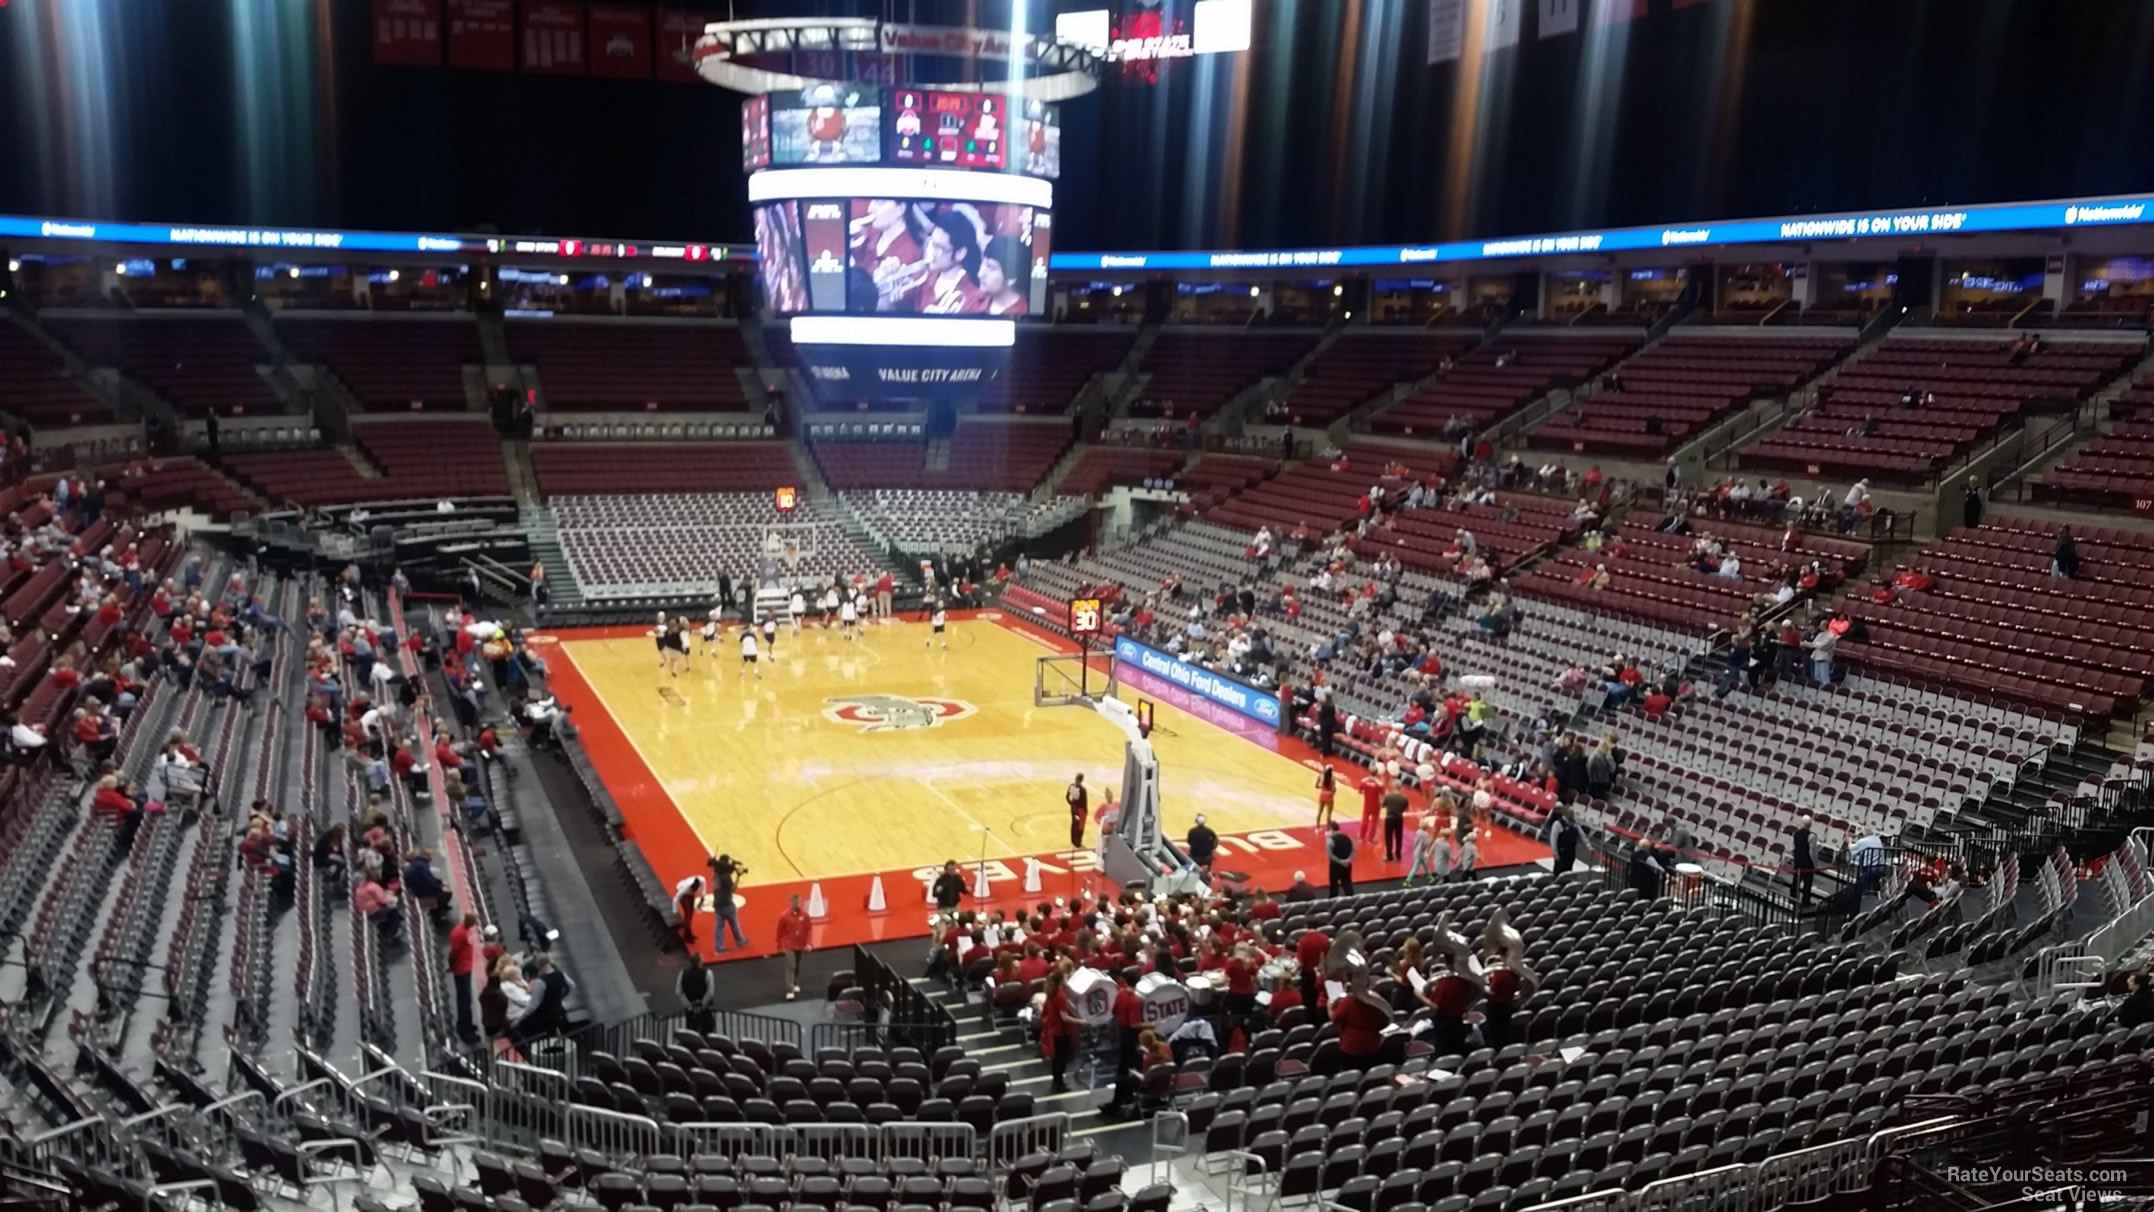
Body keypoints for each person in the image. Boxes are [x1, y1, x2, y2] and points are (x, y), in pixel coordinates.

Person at [1329, 965, 1392, 1070]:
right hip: (1373, 1045)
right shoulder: (1376, 999)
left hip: (1352, 1048)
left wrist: (1330, 1006)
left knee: (1351, 1077)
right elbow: (1385, 1019)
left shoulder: (1348, 1002)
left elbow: (1334, 1019)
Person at [1040, 967, 1081, 1093]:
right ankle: (1059, 1083)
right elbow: (1064, 1017)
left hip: (1055, 1029)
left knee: (1057, 1058)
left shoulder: (1053, 993)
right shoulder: (1061, 995)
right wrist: (1081, 1021)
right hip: (1063, 1031)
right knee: (1062, 1058)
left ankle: (1057, 1081)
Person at [448, 912, 481, 1044]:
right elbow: (453, 953)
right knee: (464, 1000)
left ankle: (466, 1024)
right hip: (461, 970)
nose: (474, 924)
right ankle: (465, 1031)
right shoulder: (458, 933)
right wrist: (451, 966)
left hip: (467, 967)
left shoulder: (466, 930)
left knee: (467, 999)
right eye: (473, 921)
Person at [707, 855, 749, 953]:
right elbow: (733, 889)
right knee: (734, 923)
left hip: (717, 902)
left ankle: (719, 946)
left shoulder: (716, 874)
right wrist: (738, 876)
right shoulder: (726, 877)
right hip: (726, 903)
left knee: (719, 927)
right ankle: (740, 941)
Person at [775, 893, 813, 1000]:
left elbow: (809, 929)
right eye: (794, 901)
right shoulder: (784, 916)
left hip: (800, 945)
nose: (796, 903)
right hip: (789, 945)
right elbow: (779, 931)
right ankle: (789, 990)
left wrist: (809, 943)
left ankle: (795, 983)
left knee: (797, 966)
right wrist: (778, 945)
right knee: (791, 966)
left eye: (798, 901)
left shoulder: (805, 915)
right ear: (791, 901)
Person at [1381, 783, 1410, 863]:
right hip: (1399, 818)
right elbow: (1407, 809)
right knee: (1398, 837)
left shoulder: (1388, 796)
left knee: (1389, 837)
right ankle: (1398, 855)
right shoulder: (1404, 798)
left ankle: (1389, 856)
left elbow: (1382, 805)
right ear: (1400, 788)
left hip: (1389, 818)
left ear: (1393, 787)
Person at [1325, 821, 1356, 897]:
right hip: (1347, 865)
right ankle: (1352, 900)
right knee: (1347, 883)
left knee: (1334, 885)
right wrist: (1348, 860)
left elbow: (1330, 855)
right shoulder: (1349, 838)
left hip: (1335, 866)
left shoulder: (1330, 841)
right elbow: (1353, 850)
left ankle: (1333, 903)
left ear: (1331, 829)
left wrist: (1340, 862)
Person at [674, 874, 705, 948]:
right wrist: (675, 911)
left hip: (689, 894)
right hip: (683, 895)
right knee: (687, 913)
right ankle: (688, 935)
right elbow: (676, 899)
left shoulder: (702, 880)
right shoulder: (685, 888)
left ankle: (687, 933)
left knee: (691, 913)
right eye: (692, 891)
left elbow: (703, 892)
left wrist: (701, 902)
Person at [1792, 817, 1817, 906]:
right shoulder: (1812, 836)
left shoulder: (1796, 833)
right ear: (1810, 824)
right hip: (1807, 862)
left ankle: (1792, 899)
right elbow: (1812, 852)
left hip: (1798, 860)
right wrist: (1815, 864)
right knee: (1807, 883)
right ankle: (1805, 901)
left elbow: (1794, 847)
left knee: (1796, 881)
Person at [1548, 803, 1580, 874]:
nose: (1572, 814)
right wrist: (1555, 852)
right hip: (1561, 851)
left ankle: (1567, 883)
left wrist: (1589, 846)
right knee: (1559, 870)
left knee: (1568, 869)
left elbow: (1581, 834)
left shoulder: (1574, 823)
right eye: (1570, 812)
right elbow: (1553, 838)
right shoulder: (1558, 824)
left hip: (1571, 851)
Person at [1066, 773, 1089, 848]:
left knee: (1074, 824)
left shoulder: (1071, 786)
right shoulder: (1083, 790)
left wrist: (1072, 804)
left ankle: (1073, 841)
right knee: (1080, 826)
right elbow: (1085, 802)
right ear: (1082, 780)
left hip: (1073, 809)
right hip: (1081, 811)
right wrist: (1085, 811)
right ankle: (1078, 843)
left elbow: (1067, 797)